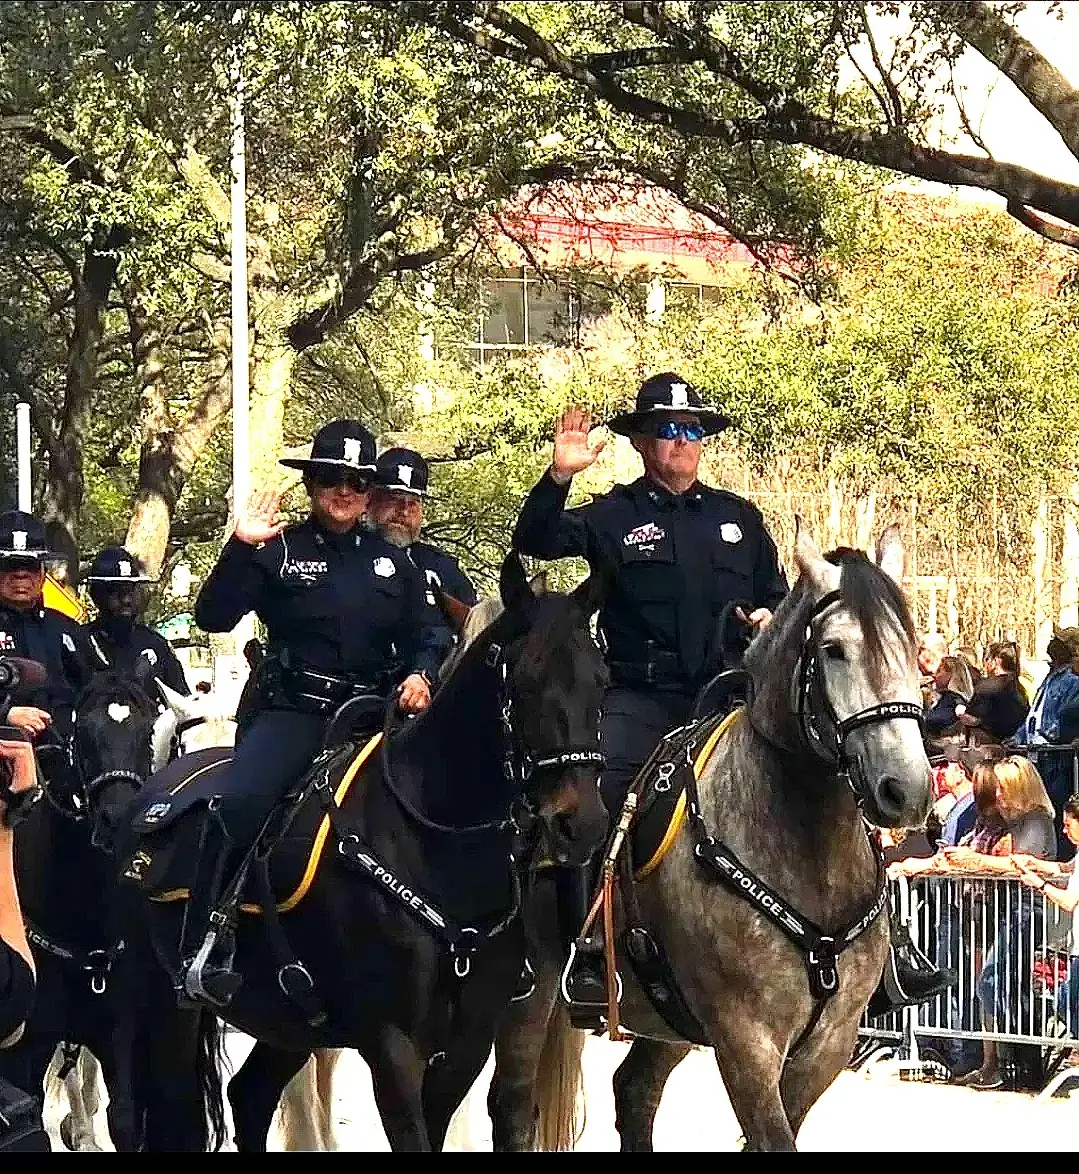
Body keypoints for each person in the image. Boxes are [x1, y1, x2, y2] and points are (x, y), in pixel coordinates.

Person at [511, 373, 789, 1007]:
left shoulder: (738, 519)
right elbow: (536, 541)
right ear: (640, 441)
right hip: (641, 696)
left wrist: (770, 616)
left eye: (692, 431)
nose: (682, 443)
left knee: (816, 775)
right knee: (596, 806)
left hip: (729, 696)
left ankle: (872, 949)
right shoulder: (615, 514)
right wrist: (559, 478)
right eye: (667, 430)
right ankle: (587, 950)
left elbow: (775, 593)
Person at [188, 419, 442, 1003]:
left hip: (373, 718)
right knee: (241, 802)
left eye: (357, 482)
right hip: (296, 713)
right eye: (332, 478)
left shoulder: (394, 563)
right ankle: (204, 942)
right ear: (311, 484)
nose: (344, 491)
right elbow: (213, 616)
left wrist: (421, 673)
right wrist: (240, 547)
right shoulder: (277, 549)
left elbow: (427, 633)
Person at [368, 447, 478, 665]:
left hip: (432, 687)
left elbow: (472, 630)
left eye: (413, 502)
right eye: (394, 498)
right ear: (370, 500)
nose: (403, 510)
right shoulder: (350, 552)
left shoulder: (444, 568)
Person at [0, 511, 91, 744]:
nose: (20, 574)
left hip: (63, 759)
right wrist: (5, 714)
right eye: (9, 565)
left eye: (29, 565)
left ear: (43, 573)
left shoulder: (66, 630)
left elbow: (97, 690)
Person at [83, 546, 190, 695]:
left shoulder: (157, 646)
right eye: (116, 591)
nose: (126, 599)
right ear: (95, 595)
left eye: (131, 589)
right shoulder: (78, 644)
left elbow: (183, 703)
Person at [955, 642, 1028, 746]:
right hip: (1017, 745)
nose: (985, 664)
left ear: (996, 661)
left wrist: (960, 712)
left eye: (987, 659)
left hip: (991, 747)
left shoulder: (987, 687)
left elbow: (973, 718)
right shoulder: (1020, 686)